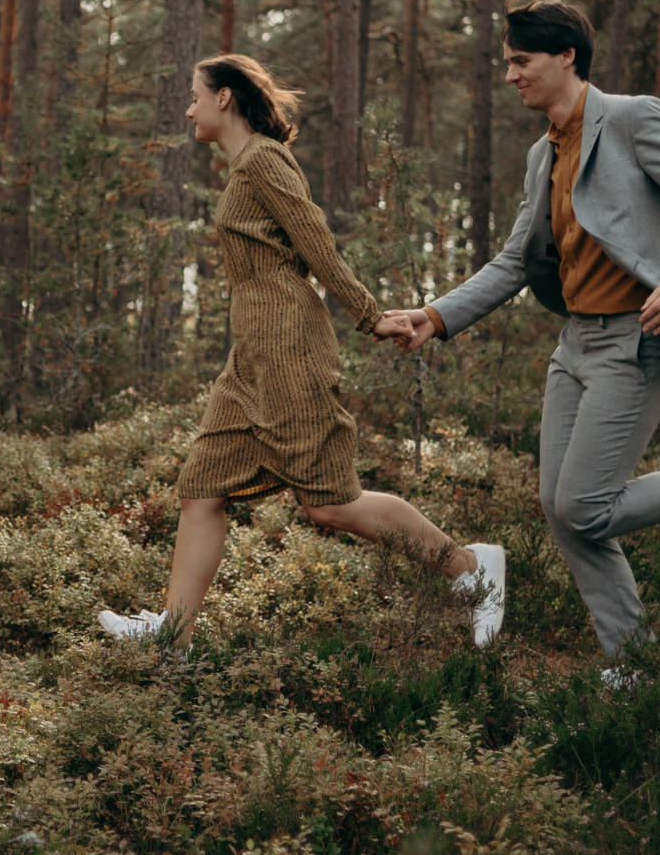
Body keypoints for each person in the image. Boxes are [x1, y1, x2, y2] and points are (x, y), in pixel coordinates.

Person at [377, 0, 660, 677]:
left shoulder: (633, 119)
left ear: (566, 57)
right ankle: (636, 664)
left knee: (583, 504)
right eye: (508, 61)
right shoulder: (541, 155)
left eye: (521, 61)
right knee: (561, 507)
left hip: (640, 336)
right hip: (575, 344)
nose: (510, 74)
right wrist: (433, 317)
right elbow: (517, 261)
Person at [98, 54, 506, 649]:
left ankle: (470, 569)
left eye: (194, 95)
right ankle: (173, 637)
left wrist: (370, 315)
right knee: (201, 487)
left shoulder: (264, 160)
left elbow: (317, 241)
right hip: (251, 362)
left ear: (224, 99)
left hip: (291, 352)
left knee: (331, 503)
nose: (187, 108)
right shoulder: (241, 171)